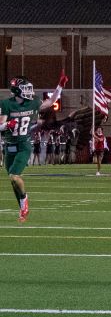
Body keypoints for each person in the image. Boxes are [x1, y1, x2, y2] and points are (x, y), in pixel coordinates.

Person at [0, 74, 67, 221]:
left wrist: (60, 85)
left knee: (14, 176)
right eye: (25, 88)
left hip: (24, 145)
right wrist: (7, 125)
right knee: (13, 180)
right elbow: (0, 125)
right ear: (17, 90)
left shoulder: (34, 102)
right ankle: (22, 209)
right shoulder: (6, 104)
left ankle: (25, 200)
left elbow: (52, 101)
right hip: (9, 146)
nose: (29, 91)